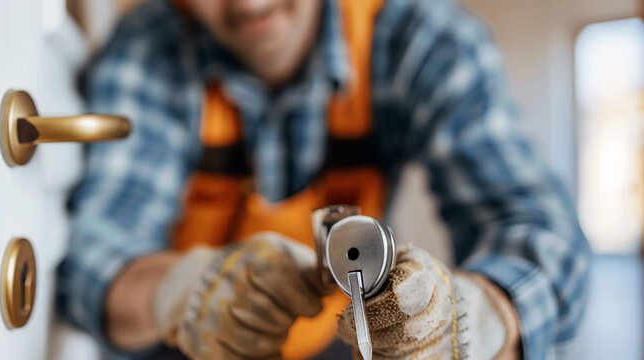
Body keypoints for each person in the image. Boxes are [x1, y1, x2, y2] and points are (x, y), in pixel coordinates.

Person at [56, 0, 590, 358]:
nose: (246, 2)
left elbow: (539, 230)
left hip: (342, 341)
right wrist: (179, 293)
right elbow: (96, 255)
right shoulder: (148, 48)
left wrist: (477, 317)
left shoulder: (419, 37)